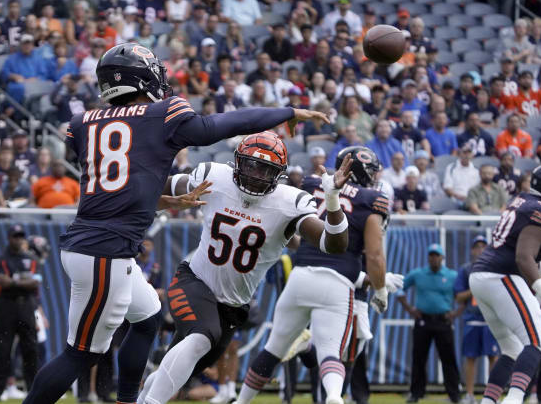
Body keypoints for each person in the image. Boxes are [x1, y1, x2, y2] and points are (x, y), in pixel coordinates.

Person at [23, 43, 332, 404]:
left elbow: (118, 187)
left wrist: (166, 200)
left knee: (148, 319)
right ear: (142, 77)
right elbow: (223, 124)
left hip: (96, 245)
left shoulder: (81, 125)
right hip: (104, 251)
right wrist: (287, 111)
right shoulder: (162, 114)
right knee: (81, 352)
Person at [140, 133, 353, 404]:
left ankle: (143, 396)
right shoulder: (214, 176)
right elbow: (158, 191)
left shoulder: (289, 203)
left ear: (279, 174)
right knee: (202, 337)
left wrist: (332, 200)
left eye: (265, 169)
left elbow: (333, 244)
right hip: (195, 280)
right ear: (237, 162)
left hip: (233, 305)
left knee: (186, 365)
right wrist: (147, 212)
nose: (256, 174)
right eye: (251, 165)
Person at [234, 146, 391, 404]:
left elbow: (292, 230)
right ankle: (333, 397)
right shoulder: (371, 200)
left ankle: (241, 402)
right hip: (338, 282)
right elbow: (374, 255)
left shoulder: (312, 184)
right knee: (331, 354)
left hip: (301, 275)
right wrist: (381, 290)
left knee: (273, 349)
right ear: (363, 171)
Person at [471, 163, 541, 404]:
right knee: (538, 341)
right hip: (501, 276)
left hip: (483, 276)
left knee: (512, 348)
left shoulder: (523, 201)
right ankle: (514, 400)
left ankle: (489, 401)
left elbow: (521, 255)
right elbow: (522, 258)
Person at [397, 243, 461, 404]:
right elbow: (399, 288)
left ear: (442, 258)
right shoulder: (418, 274)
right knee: (419, 358)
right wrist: (409, 308)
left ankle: (454, 395)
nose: (433, 258)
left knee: (448, 359)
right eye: (431, 255)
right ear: (428, 257)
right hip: (423, 320)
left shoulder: (452, 275)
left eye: (436, 255)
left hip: (443, 321)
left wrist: (456, 313)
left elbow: (464, 294)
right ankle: (416, 393)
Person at [0, 225, 42, 401]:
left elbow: (35, 283)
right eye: (15, 236)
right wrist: (22, 281)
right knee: (3, 350)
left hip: (26, 306)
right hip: (7, 306)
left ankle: (33, 390)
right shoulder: (1, 259)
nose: (18, 239)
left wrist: (14, 280)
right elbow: (2, 282)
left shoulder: (31, 258)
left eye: (21, 236)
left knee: (31, 350)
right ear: (9, 238)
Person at [454, 236, 500, 404]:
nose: (480, 249)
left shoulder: (495, 269)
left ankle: (492, 395)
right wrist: (476, 286)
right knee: (470, 357)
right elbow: (458, 297)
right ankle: (470, 395)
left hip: (491, 320)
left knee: (493, 357)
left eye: (483, 246)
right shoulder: (466, 270)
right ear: (472, 250)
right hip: (472, 319)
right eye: (477, 246)